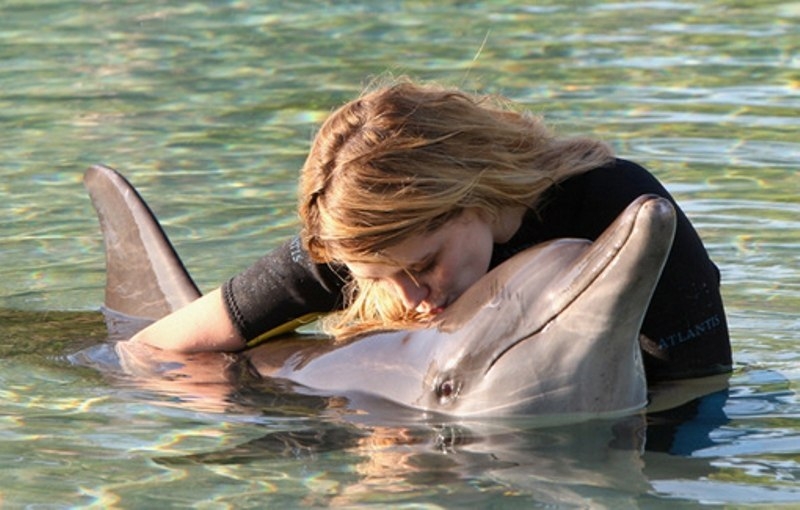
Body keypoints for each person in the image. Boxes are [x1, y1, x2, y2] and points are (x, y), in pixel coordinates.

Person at [130, 77, 732, 382]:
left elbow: (699, 382)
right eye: (381, 277)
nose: (411, 298)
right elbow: (150, 348)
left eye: (422, 265)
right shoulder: (365, 242)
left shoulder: (612, 203)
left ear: (473, 194)